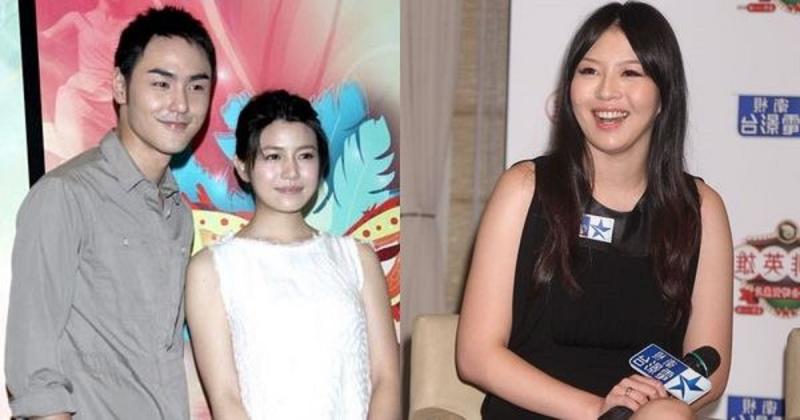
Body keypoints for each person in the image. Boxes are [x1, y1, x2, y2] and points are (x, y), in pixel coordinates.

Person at [455, 2, 732, 419]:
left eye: (630, 73)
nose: (606, 91)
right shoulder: (524, 189)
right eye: (589, 71)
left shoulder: (701, 209)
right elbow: (476, 355)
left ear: (664, 95)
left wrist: (647, 402)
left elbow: (711, 365)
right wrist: (598, 410)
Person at [5, 6, 215, 419]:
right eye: (161, 83)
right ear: (120, 86)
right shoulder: (66, 195)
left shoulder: (178, 214)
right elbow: (33, 368)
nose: (180, 103)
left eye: (196, 86)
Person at [185, 90, 401, 419]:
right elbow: (225, 397)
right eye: (273, 157)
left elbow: (387, 378)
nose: (291, 172)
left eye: (305, 156)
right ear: (243, 166)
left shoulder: (357, 258)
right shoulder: (212, 268)